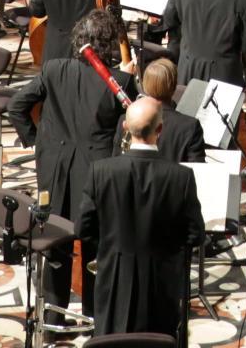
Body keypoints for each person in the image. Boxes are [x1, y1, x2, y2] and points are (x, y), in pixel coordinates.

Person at [5, 8, 134, 315]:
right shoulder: (121, 81)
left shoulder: (54, 69)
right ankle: (93, 315)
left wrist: (38, 143)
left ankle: (53, 315)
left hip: (55, 167)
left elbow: (16, 107)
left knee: (54, 242)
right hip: (97, 171)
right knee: (94, 246)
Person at [77, 96, 203, 339]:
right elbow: (195, 234)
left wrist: (110, 248)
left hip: (113, 280)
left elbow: (83, 228)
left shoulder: (100, 171)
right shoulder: (181, 176)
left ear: (125, 126)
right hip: (162, 283)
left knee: (113, 343)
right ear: (160, 130)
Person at [137, 58, 208, 162]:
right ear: (174, 86)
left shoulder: (127, 120)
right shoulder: (190, 126)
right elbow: (197, 171)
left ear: (145, 85)